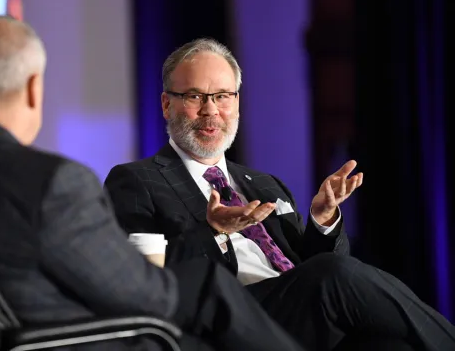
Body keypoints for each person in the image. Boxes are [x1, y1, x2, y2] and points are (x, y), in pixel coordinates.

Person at [0, 16, 308, 351]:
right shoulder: (53, 182)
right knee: (211, 291)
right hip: (59, 339)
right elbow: (140, 293)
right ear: (33, 90)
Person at [104, 38, 455, 351]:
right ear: (167, 105)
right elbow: (138, 279)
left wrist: (323, 221)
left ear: (237, 103)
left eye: (223, 96)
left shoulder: (264, 184)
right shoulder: (136, 181)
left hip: (296, 319)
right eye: (195, 96)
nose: (211, 110)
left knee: (390, 344)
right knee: (334, 275)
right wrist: (212, 231)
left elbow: (308, 269)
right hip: (227, 321)